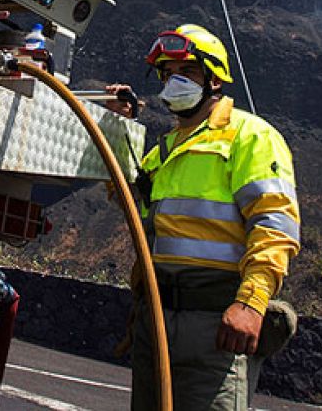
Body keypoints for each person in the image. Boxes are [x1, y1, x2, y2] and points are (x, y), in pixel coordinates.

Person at [106, 24, 301, 411]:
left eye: (186, 72)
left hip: (216, 324)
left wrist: (251, 302)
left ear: (214, 78)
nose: (173, 81)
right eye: (166, 73)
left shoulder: (250, 136)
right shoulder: (164, 150)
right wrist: (118, 127)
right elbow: (129, 203)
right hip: (156, 319)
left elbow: (275, 225)